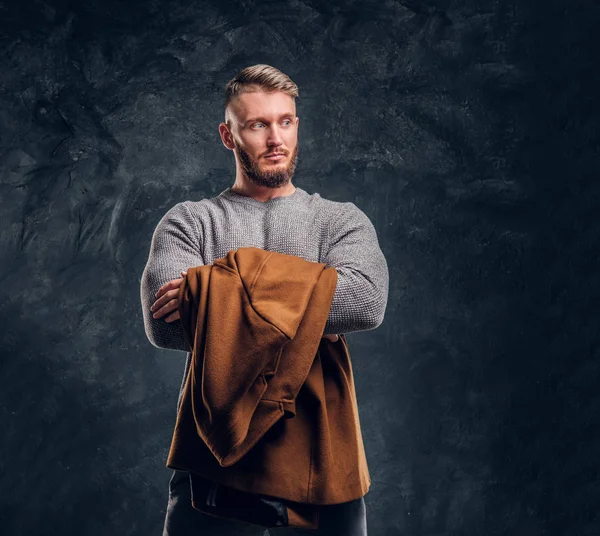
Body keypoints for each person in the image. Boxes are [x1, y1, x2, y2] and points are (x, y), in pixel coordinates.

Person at [140, 64, 389, 536]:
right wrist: (314, 301)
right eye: (258, 124)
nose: (276, 138)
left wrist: (216, 290)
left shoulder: (341, 221)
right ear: (228, 135)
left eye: (286, 121)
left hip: (324, 463)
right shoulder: (189, 222)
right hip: (212, 466)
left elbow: (366, 302)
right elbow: (166, 325)